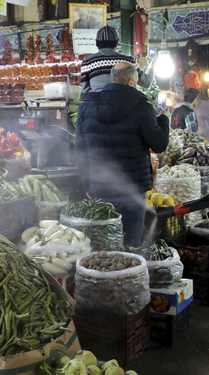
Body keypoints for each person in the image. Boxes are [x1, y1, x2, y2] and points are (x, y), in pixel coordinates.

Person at [75, 62, 170, 246]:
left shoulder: (86, 108)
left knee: (104, 243)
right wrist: (164, 118)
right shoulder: (142, 107)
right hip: (132, 190)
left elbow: (80, 151)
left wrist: (87, 183)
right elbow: (159, 144)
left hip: (100, 188)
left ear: (112, 80)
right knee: (131, 245)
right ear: (131, 82)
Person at [80, 26, 157, 93]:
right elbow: (146, 83)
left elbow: (86, 92)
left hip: (97, 107)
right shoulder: (128, 61)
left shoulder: (87, 62)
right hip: (124, 107)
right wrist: (152, 65)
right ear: (116, 44)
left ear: (97, 45)